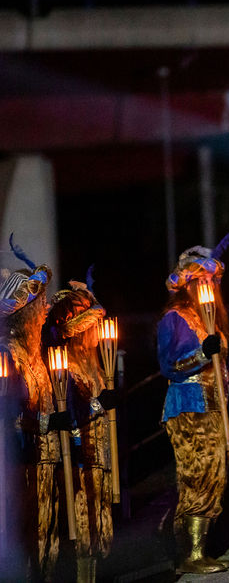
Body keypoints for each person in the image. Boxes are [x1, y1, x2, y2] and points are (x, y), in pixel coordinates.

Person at [157, 235, 229, 574]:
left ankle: (200, 547)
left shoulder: (212, 319)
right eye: (199, 280)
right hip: (188, 406)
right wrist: (202, 353)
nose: (206, 285)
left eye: (210, 280)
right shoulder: (174, 318)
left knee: (216, 469)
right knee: (198, 472)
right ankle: (190, 552)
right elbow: (168, 366)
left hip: (213, 405)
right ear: (186, 284)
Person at [41, 275, 119, 583]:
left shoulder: (93, 363)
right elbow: (71, 419)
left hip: (99, 455)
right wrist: (100, 404)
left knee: (98, 520)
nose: (94, 334)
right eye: (88, 328)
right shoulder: (66, 366)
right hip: (79, 458)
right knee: (83, 520)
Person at [0, 240, 62, 580]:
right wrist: (46, 422)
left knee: (47, 532)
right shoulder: (8, 352)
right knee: (26, 531)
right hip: (22, 461)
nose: (44, 309)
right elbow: (9, 414)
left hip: (46, 457)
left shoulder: (36, 350)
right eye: (37, 304)